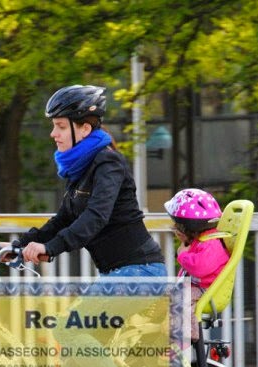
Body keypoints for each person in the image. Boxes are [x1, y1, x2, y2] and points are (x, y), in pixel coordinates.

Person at [16, 84, 166, 278]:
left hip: (140, 271)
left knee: (78, 311)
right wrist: (19, 245)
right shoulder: (81, 166)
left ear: (85, 129)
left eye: (60, 126)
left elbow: (96, 216)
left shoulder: (108, 162)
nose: (53, 134)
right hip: (115, 272)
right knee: (77, 311)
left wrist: (50, 247)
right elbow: (63, 219)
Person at [164, 188, 230, 341]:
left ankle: (187, 336)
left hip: (206, 291)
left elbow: (199, 268)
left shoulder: (212, 244)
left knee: (179, 297)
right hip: (197, 288)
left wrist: (182, 254)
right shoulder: (202, 241)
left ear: (187, 227)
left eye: (177, 225)